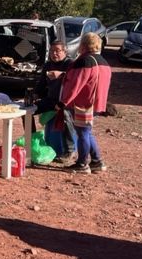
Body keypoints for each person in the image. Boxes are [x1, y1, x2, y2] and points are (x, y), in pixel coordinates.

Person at [58, 33, 112, 174]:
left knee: (82, 133)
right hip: (97, 103)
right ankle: (97, 161)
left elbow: (76, 84)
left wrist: (63, 102)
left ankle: (82, 163)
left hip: (84, 103)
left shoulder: (85, 61)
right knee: (86, 132)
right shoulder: (103, 61)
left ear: (83, 45)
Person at [33, 40, 76, 161]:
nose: (54, 54)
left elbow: (76, 80)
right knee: (27, 111)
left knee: (66, 116)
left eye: (57, 51)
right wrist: (35, 94)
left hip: (66, 101)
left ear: (65, 51)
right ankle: (33, 141)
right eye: (52, 51)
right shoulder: (48, 65)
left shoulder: (70, 64)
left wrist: (61, 74)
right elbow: (41, 83)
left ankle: (69, 151)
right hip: (50, 100)